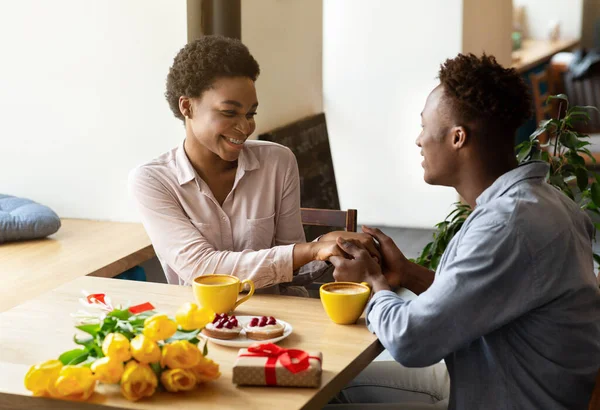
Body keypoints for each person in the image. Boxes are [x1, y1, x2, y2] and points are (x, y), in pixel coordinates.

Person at [327, 54, 600, 409]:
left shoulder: (506, 225)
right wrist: (406, 273)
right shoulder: (544, 202)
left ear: (458, 137)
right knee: (330, 384)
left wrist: (373, 280)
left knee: (320, 399)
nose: (418, 140)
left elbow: (411, 341)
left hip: (508, 398)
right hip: (490, 375)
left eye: (424, 127)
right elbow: (477, 298)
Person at [129, 35, 377, 295]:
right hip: (202, 324)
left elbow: (293, 268)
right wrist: (311, 251)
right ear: (187, 106)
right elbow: (202, 270)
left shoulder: (278, 162)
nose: (245, 126)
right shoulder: (152, 181)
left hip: (280, 323)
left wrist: (330, 247)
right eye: (229, 112)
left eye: (251, 113)